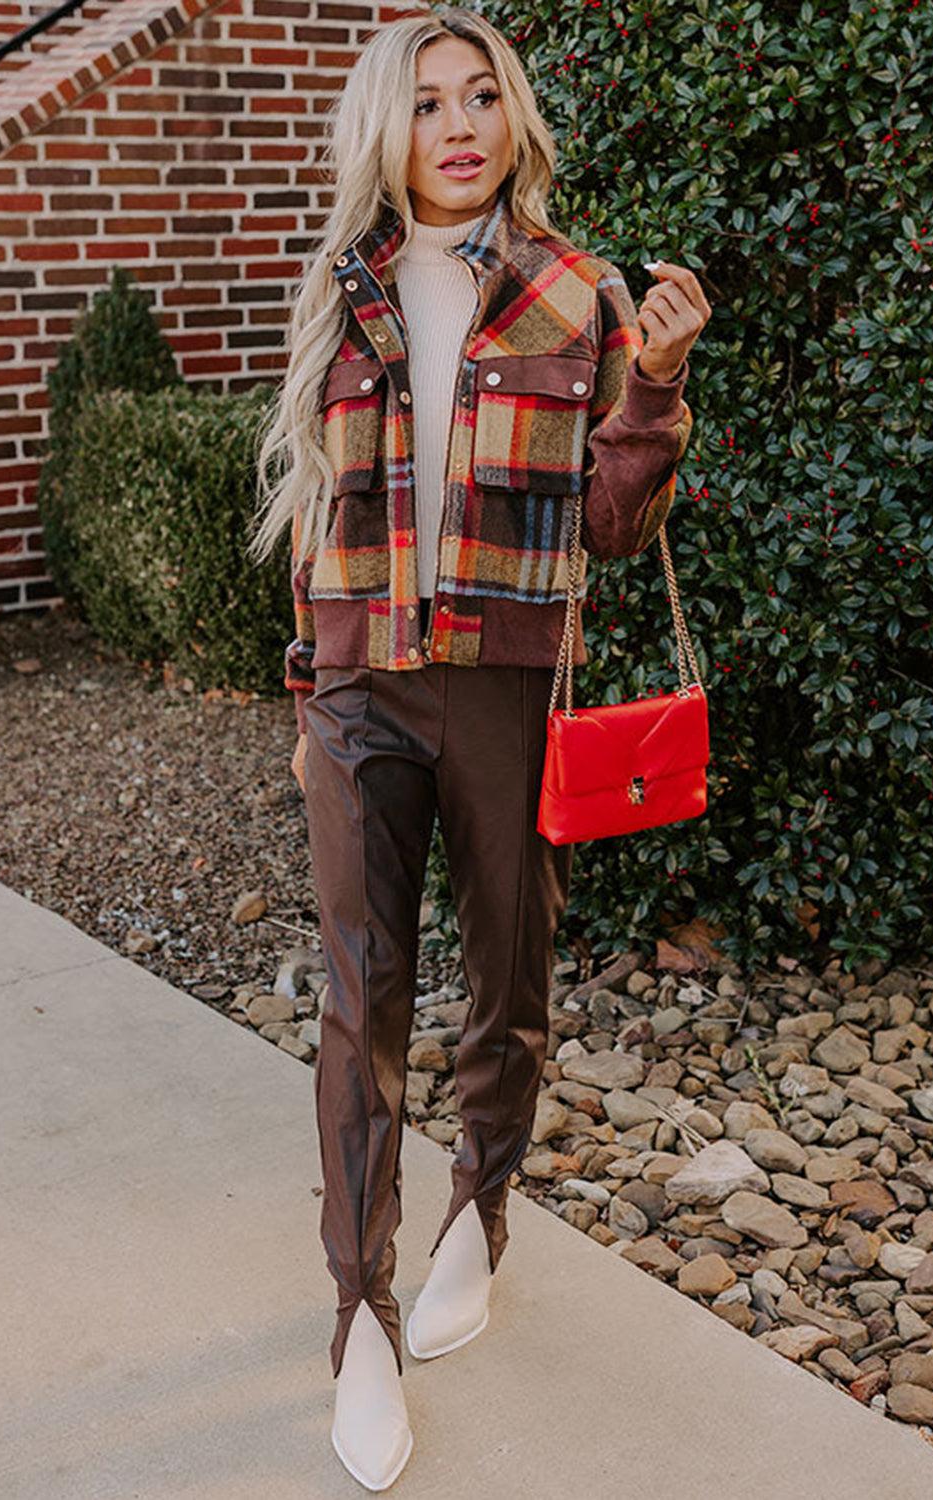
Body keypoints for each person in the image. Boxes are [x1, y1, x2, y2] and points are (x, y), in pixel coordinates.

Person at [248, 7, 710, 1489]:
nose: (457, 125)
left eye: (480, 98)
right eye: (427, 102)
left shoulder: (578, 294)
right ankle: (358, 1319)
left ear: (510, 120)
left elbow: (610, 529)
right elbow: (321, 506)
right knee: (357, 999)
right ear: (386, 129)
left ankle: (477, 1219)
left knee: (506, 970)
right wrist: (313, 683)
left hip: (508, 683)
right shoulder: (342, 280)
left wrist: (651, 390)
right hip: (358, 684)